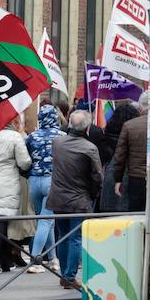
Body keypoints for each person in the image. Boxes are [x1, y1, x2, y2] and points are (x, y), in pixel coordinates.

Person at [47, 110, 103, 288]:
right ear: (87, 128)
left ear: (70, 124)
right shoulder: (89, 148)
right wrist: (92, 195)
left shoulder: (57, 143)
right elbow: (97, 177)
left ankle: (65, 274)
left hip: (58, 197)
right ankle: (69, 276)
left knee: (63, 237)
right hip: (79, 198)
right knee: (76, 238)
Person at [0, 117, 32, 273]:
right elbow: (24, 162)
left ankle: (4, 261)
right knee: (1, 222)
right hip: (8, 182)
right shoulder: (14, 136)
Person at [25, 104, 66, 269]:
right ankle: (35, 261)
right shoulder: (63, 136)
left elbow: (25, 159)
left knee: (44, 219)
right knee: (46, 220)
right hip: (53, 181)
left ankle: (52, 257)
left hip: (34, 181)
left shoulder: (31, 137)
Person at [113, 91, 150, 213]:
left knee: (136, 213)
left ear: (140, 107)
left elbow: (120, 156)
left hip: (136, 178)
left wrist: (118, 179)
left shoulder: (130, 126)